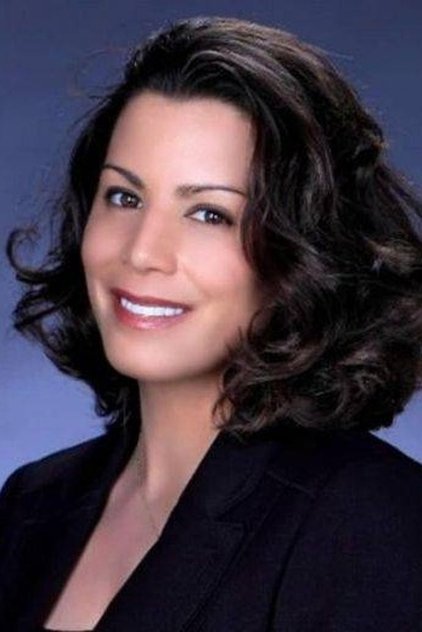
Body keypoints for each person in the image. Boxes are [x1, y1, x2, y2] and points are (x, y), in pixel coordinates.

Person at [1, 16, 422, 631]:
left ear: (303, 253)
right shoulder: (31, 504)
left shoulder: (368, 519)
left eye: (209, 214)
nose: (142, 252)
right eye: (124, 197)